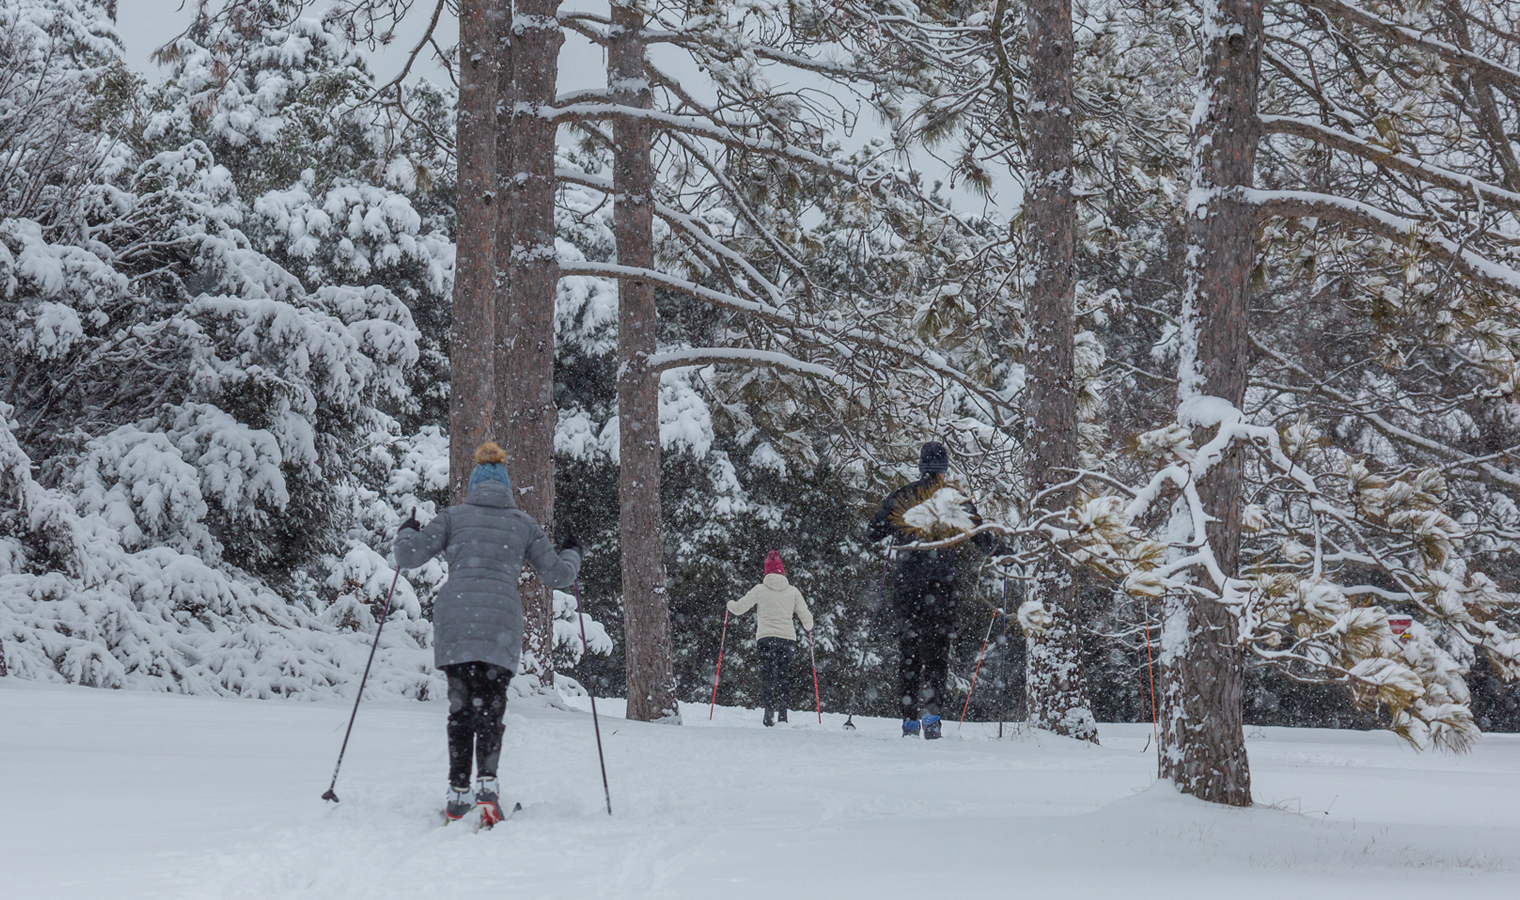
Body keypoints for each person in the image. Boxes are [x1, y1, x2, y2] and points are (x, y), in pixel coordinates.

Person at [393, 441, 581, 823]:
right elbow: (560, 575)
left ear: (474, 485)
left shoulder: (452, 518)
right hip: (500, 627)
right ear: (506, 488)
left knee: (460, 708)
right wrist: (573, 550)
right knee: (491, 709)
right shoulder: (522, 524)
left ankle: (457, 790)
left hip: (457, 619)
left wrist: (406, 531)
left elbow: (408, 557)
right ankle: (487, 787)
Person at [868, 441, 998, 740]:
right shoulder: (953, 499)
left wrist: (891, 525)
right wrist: (1004, 554)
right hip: (942, 586)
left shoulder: (902, 497)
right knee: (937, 653)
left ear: (921, 467)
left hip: (907, 585)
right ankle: (933, 719)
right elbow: (981, 538)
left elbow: (872, 533)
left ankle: (909, 721)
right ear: (944, 470)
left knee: (909, 653)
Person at [727, 550, 814, 726]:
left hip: (766, 639)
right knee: (784, 675)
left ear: (766, 572)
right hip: (787, 639)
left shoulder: (759, 590)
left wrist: (728, 604)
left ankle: (768, 712)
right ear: (782, 571)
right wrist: (809, 627)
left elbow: (738, 608)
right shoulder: (793, 591)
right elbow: (806, 617)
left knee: (766, 675)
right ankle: (783, 714)